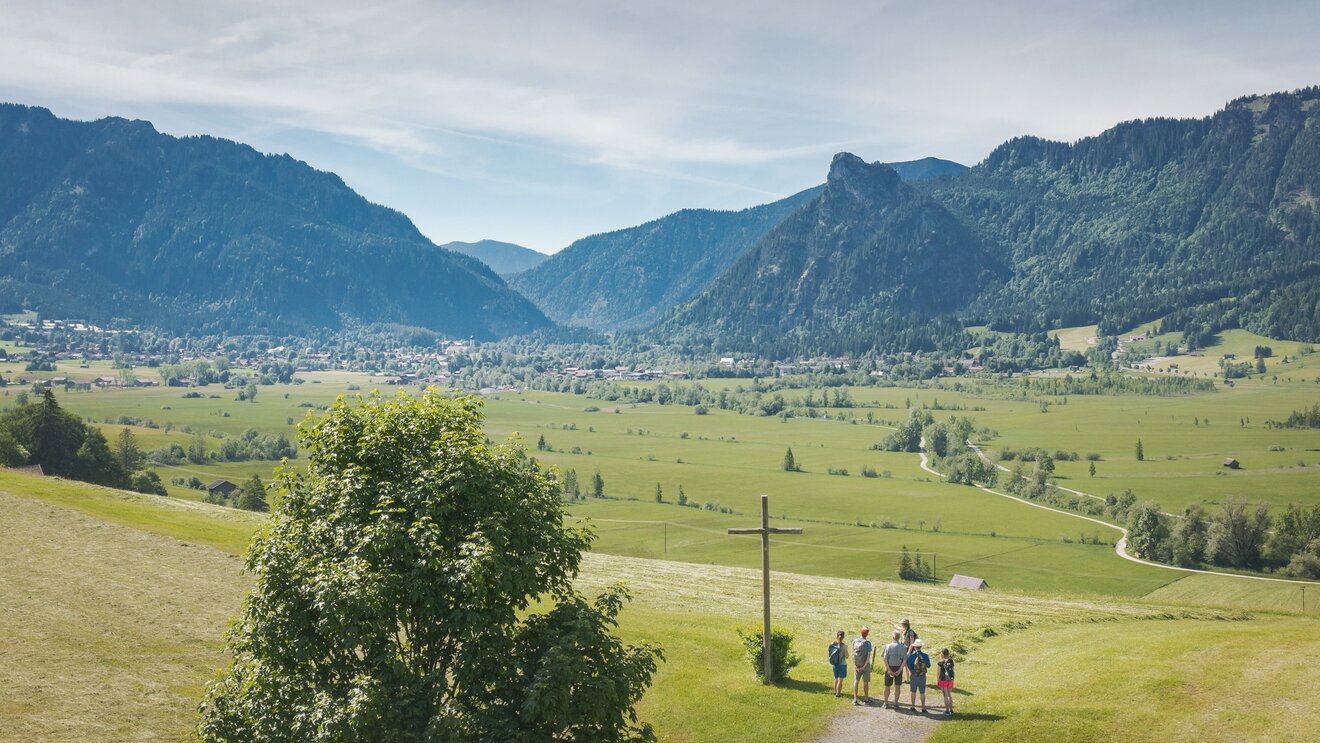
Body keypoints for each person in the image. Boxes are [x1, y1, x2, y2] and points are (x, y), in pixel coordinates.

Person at [879, 630, 908, 709]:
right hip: (899, 667)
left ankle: (885, 703)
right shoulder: (904, 647)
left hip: (890, 667)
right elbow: (905, 660)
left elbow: (885, 659)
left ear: (892, 637)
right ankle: (895, 703)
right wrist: (899, 670)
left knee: (887, 686)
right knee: (897, 687)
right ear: (899, 638)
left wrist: (889, 670)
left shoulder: (888, 646)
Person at [906, 638, 931, 713]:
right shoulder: (925, 656)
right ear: (921, 647)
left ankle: (913, 706)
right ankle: (923, 707)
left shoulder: (912, 656)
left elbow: (909, 666)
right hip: (922, 676)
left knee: (913, 692)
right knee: (922, 692)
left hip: (913, 676)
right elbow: (929, 665)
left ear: (914, 647)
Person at [851, 626, 873, 705]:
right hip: (865, 665)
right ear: (867, 634)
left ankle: (855, 699)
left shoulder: (854, 641)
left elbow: (852, 654)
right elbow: (868, 656)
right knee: (865, 682)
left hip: (857, 664)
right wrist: (864, 666)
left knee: (856, 681)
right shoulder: (867, 643)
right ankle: (866, 698)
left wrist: (855, 665)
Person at [828, 631, 848, 697]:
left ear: (837, 636)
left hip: (834, 663)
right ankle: (838, 694)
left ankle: (835, 691)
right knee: (840, 680)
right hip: (842, 665)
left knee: (836, 679)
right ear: (843, 637)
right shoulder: (844, 646)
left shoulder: (833, 644)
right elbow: (846, 656)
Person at [937, 648, 955, 715]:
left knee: (945, 695)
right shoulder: (951, 661)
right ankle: (951, 710)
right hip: (950, 679)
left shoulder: (940, 662)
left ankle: (947, 711)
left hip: (943, 680)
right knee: (949, 695)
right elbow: (953, 670)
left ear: (942, 653)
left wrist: (938, 680)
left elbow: (938, 673)